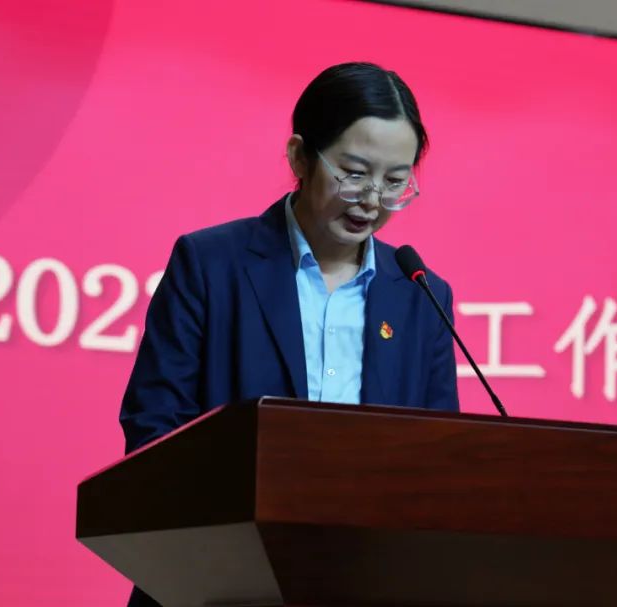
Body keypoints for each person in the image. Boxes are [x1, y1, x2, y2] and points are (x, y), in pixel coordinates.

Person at [118, 62, 460, 607]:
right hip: (214, 583)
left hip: (359, 585)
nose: (372, 199)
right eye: (354, 172)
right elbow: (155, 429)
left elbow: (438, 462)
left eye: (395, 181)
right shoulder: (211, 264)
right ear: (300, 156)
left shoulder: (421, 294)